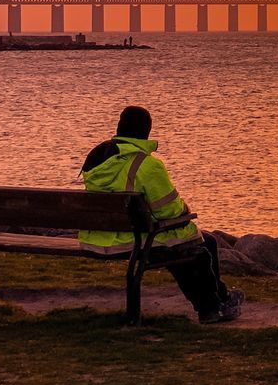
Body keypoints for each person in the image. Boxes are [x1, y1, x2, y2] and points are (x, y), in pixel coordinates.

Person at [78, 106, 243, 324]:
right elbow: (169, 210)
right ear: (146, 132)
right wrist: (185, 211)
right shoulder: (148, 165)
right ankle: (211, 307)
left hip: (96, 238)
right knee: (201, 245)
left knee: (182, 248)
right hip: (132, 240)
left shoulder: (96, 159)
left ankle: (219, 300)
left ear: (119, 127)